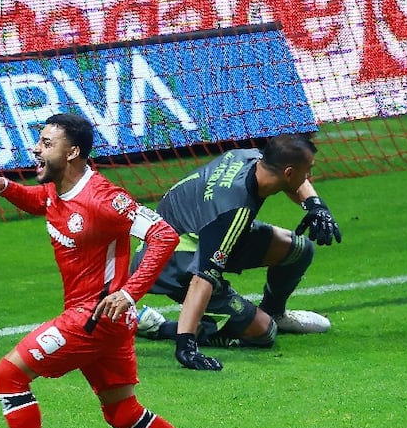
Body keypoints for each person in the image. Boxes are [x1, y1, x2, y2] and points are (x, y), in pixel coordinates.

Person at [0, 113, 237, 428]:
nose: (36, 149)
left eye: (45, 143)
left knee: (8, 375)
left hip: (93, 319)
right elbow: (41, 202)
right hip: (101, 322)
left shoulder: (104, 198)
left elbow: (163, 234)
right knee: (122, 411)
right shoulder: (57, 188)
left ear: (72, 152)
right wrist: (4, 187)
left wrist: (130, 292)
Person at [129, 133, 342, 371]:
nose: (310, 178)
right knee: (264, 332)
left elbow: (294, 180)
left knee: (298, 249)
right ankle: (160, 326)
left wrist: (316, 206)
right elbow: (202, 279)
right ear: (290, 172)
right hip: (172, 261)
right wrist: (185, 346)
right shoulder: (233, 211)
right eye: (308, 171)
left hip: (198, 232)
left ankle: (276, 313)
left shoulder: (253, 158)